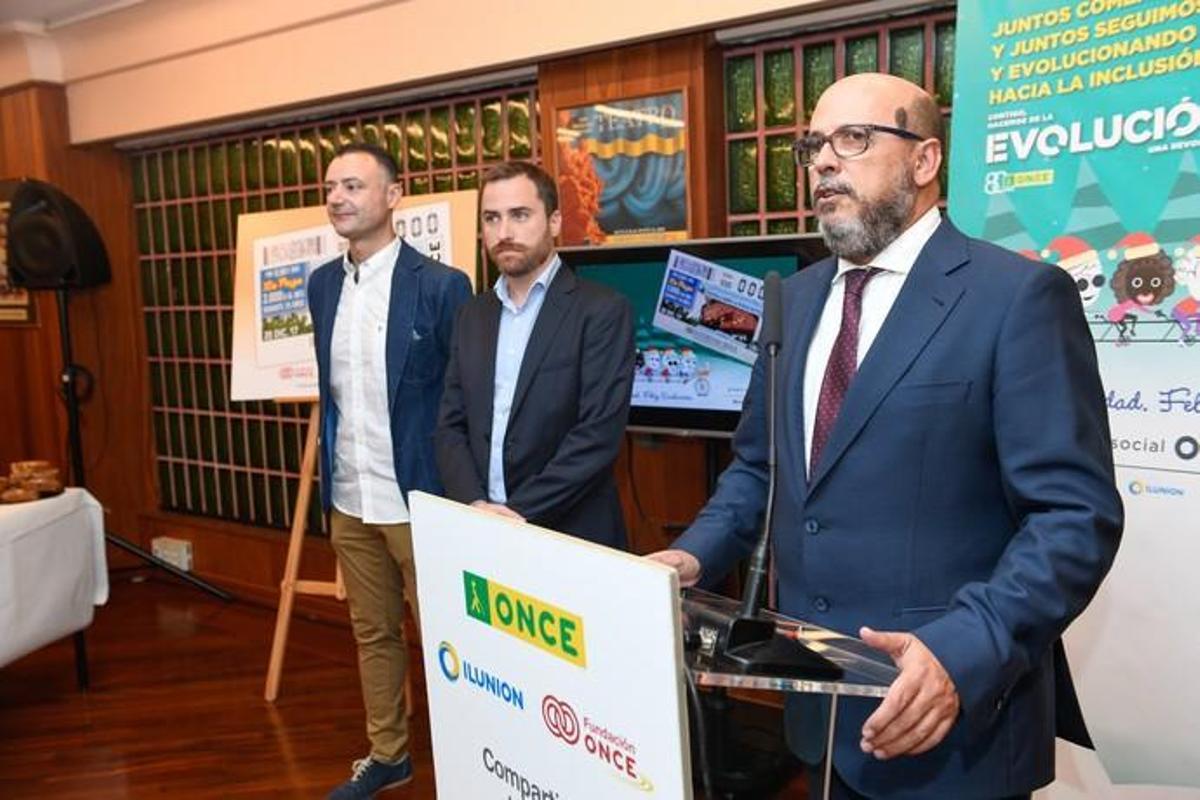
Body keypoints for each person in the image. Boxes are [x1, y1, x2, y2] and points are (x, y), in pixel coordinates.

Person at [649, 73, 1122, 799]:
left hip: (947, 723)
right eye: (814, 145)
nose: (822, 161)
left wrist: (963, 649)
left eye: (854, 139)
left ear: (925, 160)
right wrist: (693, 556)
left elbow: (1073, 517)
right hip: (817, 712)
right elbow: (758, 469)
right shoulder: (792, 300)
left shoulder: (1017, 297)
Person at [308, 142, 471, 799]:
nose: (338, 198)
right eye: (330, 187)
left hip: (420, 497)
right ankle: (388, 756)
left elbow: (464, 400)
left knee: (449, 639)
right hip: (349, 495)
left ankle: (474, 759)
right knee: (373, 633)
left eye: (353, 185)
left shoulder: (440, 285)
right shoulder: (322, 285)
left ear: (393, 195)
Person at [435, 161, 635, 548]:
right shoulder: (471, 315)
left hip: (570, 535)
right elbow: (450, 424)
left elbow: (597, 436)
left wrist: (515, 513)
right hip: (480, 528)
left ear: (554, 222)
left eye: (520, 215)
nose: (504, 233)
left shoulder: (602, 311)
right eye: (491, 218)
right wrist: (474, 505)